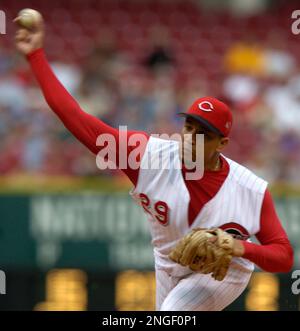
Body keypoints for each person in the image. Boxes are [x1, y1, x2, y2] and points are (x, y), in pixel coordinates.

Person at [14, 16, 293, 311]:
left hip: (222, 274)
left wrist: (240, 247)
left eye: (204, 134)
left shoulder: (248, 189)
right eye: (189, 128)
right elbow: (76, 118)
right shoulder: (147, 156)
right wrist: (36, 56)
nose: (191, 138)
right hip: (167, 265)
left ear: (222, 144)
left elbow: (284, 256)